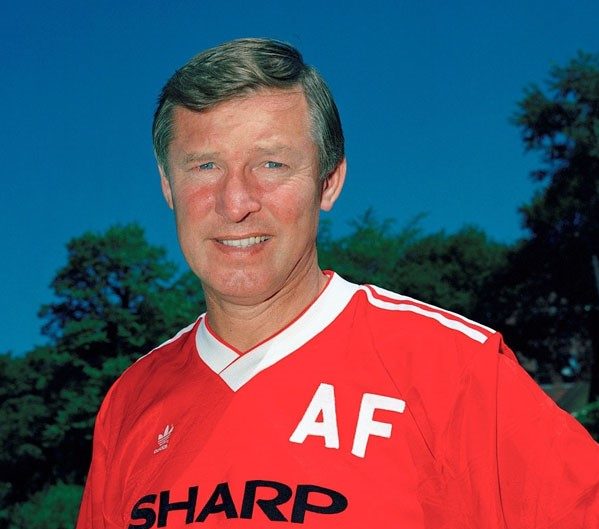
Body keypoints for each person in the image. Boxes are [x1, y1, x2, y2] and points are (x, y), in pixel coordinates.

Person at [76, 38, 599, 529]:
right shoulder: (130, 403)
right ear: (168, 186)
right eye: (205, 165)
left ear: (328, 183)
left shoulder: (453, 369)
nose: (235, 203)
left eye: (271, 164)